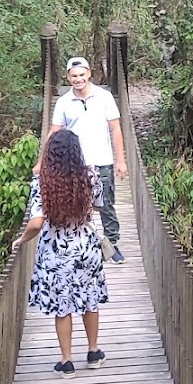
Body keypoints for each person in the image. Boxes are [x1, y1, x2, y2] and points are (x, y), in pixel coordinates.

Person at [11, 130, 108, 377]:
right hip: (86, 249)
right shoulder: (91, 175)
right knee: (90, 299)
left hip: (57, 254)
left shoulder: (42, 183)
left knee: (62, 307)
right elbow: (97, 206)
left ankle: (66, 361)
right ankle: (94, 352)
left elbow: (35, 222)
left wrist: (21, 241)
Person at [46, 56, 129, 264]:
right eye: (74, 76)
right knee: (77, 203)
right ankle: (84, 245)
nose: (78, 79)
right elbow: (54, 133)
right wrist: (42, 162)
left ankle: (112, 244)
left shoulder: (104, 97)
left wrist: (121, 160)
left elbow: (116, 129)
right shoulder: (64, 102)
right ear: (68, 77)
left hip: (102, 160)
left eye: (81, 75)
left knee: (106, 203)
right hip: (74, 164)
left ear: (89, 74)